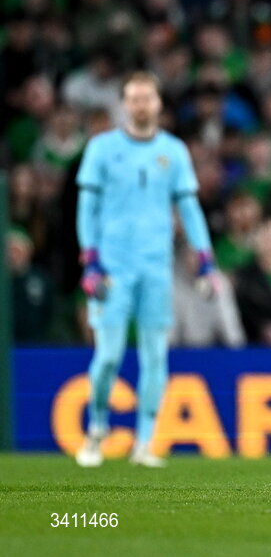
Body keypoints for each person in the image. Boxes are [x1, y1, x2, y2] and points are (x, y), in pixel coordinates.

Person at [75, 71, 217, 468]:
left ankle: (144, 443)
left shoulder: (173, 151)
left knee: (156, 357)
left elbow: (189, 208)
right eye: (134, 98)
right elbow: (87, 208)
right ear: (124, 104)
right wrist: (90, 259)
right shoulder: (101, 149)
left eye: (147, 98)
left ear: (158, 103)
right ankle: (98, 427)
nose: (141, 105)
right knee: (108, 357)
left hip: (156, 267)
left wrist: (204, 259)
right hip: (112, 268)